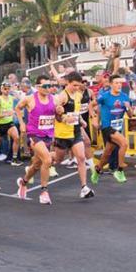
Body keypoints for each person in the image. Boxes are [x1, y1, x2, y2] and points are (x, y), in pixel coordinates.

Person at [14, 75, 57, 204]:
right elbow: (17, 108)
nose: (48, 88)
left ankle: (23, 182)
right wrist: (21, 123)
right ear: (38, 87)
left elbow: (59, 116)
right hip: (34, 135)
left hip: (48, 135)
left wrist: (61, 114)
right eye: (45, 86)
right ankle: (44, 192)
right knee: (48, 159)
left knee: (37, 165)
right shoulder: (29, 99)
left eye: (49, 86)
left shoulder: (54, 99)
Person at [52, 72, 96, 198]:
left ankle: (84, 188)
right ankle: (40, 162)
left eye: (78, 85)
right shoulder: (61, 96)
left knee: (81, 158)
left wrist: (81, 120)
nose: (77, 88)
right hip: (63, 134)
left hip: (75, 131)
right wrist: (64, 117)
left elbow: (76, 111)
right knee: (57, 159)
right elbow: (55, 114)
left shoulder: (78, 95)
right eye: (74, 85)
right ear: (68, 82)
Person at [91, 74, 132, 185]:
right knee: (124, 143)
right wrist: (94, 119)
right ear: (110, 84)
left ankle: (97, 170)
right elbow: (91, 105)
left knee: (107, 153)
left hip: (117, 127)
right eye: (116, 83)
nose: (119, 85)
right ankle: (119, 170)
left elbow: (131, 115)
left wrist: (128, 107)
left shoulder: (125, 97)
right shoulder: (104, 96)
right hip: (107, 127)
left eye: (120, 83)